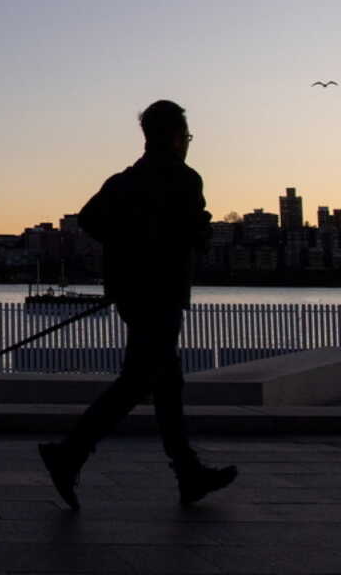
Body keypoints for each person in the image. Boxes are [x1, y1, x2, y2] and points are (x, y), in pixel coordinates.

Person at [39, 100, 237, 509]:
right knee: (139, 383)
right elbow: (193, 236)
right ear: (174, 137)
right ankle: (69, 454)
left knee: (164, 384)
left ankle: (187, 473)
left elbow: (90, 219)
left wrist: (126, 248)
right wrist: (188, 232)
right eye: (186, 137)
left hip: (132, 294)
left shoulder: (123, 181)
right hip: (161, 294)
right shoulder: (184, 179)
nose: (187, 144)